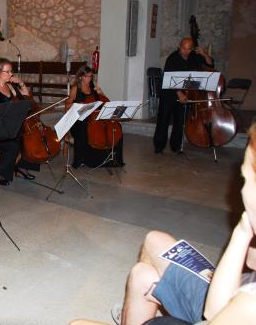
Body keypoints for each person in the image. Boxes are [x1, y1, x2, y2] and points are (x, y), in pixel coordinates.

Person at [68, 123, 256, 325]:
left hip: (225, 308)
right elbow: (252, 262)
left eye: (245, 179)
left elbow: (213, 313)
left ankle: (134, 310)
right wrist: (245, 227)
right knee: (146, 264)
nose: (241, 189)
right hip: (234, 291)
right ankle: (132, 311)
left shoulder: (248, 305)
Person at [0, 57, 40, 186]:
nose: (11, 74)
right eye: (7, 72)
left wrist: (21, 83)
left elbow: (26, 97)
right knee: (12, 144)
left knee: (29, 138)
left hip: (11, 127)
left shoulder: (10, 86)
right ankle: (2, 172)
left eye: (11, 71)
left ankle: (21, 168)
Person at [153, 37, 214, 154]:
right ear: (179, 47)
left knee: (180, 121)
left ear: (192, 49)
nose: (185, 51)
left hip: (186, 93)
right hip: (169, 93)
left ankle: (176, 147)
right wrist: (179, 93)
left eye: (188, 49)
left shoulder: (194, 57)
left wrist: (204, 53)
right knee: (163, 120)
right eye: (183, 48)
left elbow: (210, 65)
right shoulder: (172, 58)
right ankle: (159, 146)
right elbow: (170, 77)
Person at [65, 66, 124, 168]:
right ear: (81, 77)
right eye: (87, 76)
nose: (90, 79)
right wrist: (79, 104)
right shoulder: (75, 88)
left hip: (94, 118)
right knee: (83, 127)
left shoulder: (93, 87)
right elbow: (67, 106)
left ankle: (114, 159)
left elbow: (105, 101)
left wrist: (101, 93)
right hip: (79, 119)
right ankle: (82, 160)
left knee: (117, 126)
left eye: (91, 76)